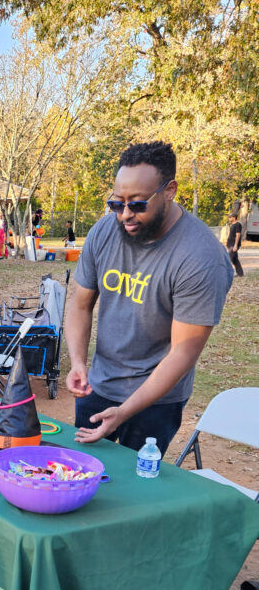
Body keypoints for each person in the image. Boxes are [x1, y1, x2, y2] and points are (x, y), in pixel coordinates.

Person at [64, 141, 233, 454]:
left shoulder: (200, 256)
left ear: (169, 191)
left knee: (131, 491)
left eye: (138, 204)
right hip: (98, 387)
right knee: (78, 474)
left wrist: (126, 411)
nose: (125, 215)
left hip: (156, 400)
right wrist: (77, 362)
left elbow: (184, 350)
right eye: (117, 204)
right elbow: (80, 304)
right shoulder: (104, 232)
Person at [226, 212, 243, 277]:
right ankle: (240, 274)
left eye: (230, 217)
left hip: (234, 245)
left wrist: (236, 245)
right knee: (235, 260)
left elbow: (237, 235)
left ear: (234, 217)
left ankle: (226, 274)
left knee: (229, 259)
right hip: (230, 244)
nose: (229, 218)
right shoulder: (232, 225)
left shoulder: (238, 225)